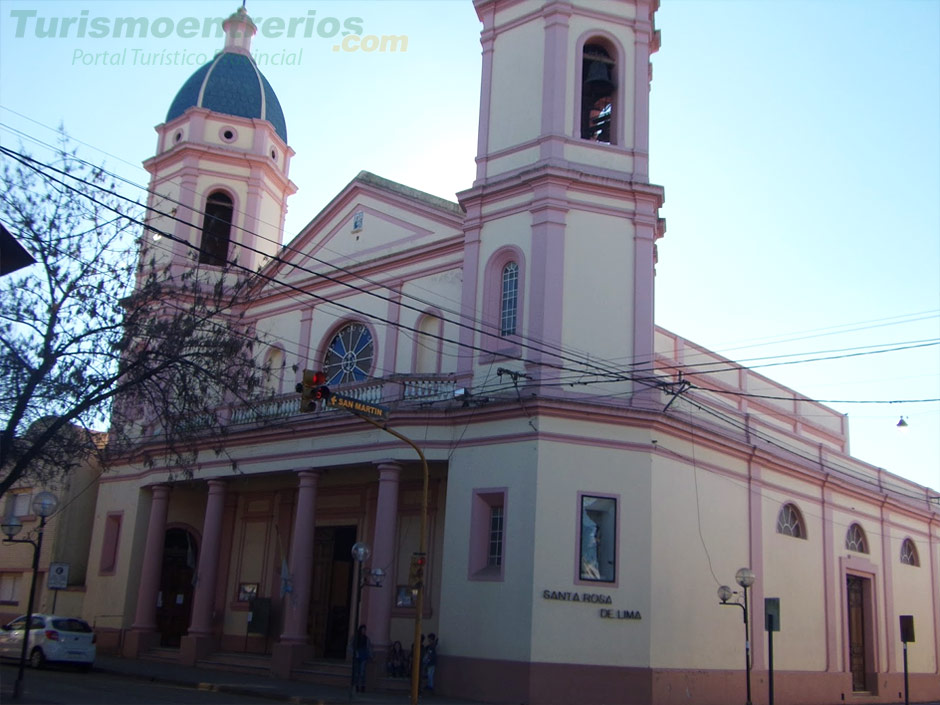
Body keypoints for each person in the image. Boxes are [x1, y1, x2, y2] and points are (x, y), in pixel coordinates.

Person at [352, 624, 372, 692]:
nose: (364, 631)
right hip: (357, 656)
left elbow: (369, 648)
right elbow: (351, 646)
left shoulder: (366, 638)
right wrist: (355, 652)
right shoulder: (355, 638)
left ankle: (363, 686)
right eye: (363, 629)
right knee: (357, 672)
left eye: (365, 630)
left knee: (362, 672)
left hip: (363, 656)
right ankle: (357, 686)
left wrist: (370, 655)